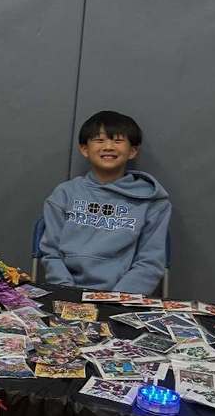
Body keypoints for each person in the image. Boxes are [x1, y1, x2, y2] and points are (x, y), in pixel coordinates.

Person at [40, 110, 171, 294]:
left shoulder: (153, 201)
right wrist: (68, 293)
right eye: (99, 140)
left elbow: (150, 262)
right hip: (66, 293)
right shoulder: (64, 194)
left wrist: (118, 299)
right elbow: (51, 253)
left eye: (117, 141)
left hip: (122, 298)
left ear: (133, 151)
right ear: (84, 149)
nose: (108, 146)